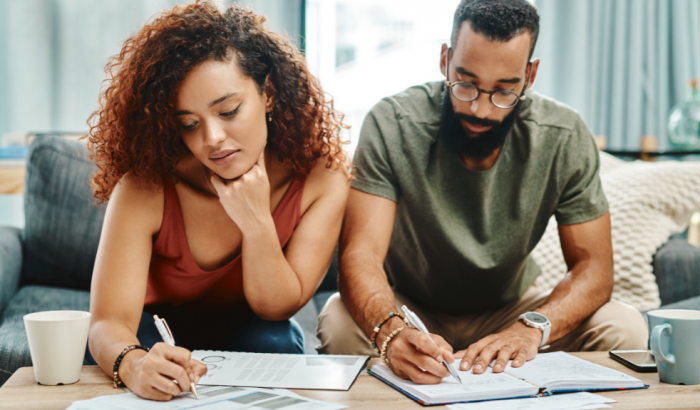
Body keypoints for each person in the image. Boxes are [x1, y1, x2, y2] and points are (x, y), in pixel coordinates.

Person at [317, 0, 648, 385]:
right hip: (410, 308)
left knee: (624, 326)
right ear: (445, 60)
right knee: (337, 320)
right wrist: (391, 331)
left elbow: (594, 268)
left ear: (530, 75)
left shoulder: (563, 135)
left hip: (512, 309)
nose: (481, 109)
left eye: (504, 91)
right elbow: (361, 253)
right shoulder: (392, 124)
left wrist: (530, 329)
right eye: (466, 84)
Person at [87, 1, 349, 401]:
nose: (211, 140)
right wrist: (135, 363)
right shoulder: (146, 186)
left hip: (257, 330)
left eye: (228, 111)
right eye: (189, 124)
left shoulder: (323, 177)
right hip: (154, 332)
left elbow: (275, 309)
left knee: (276, 342)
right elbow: (107, 321)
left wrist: (256, 220)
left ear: (270, 94)